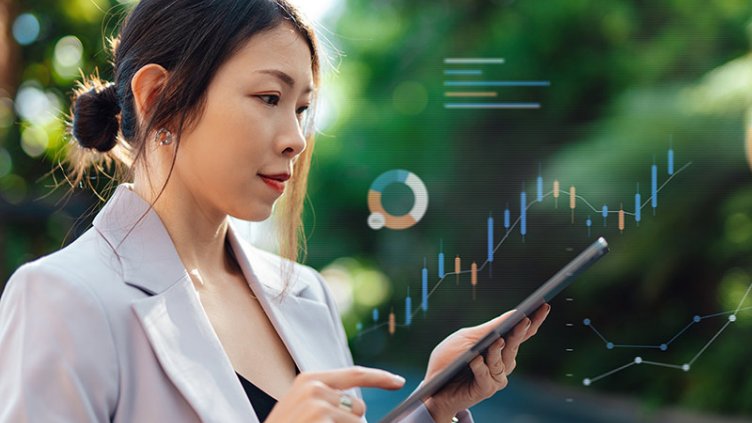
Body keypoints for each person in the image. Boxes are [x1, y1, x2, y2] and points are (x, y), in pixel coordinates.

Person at [0, 1, 550, 422]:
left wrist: (432, 407)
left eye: (303, 109)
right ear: (156, 97)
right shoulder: (62, 298)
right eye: (269, 98)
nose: (295, 139)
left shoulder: (305, 295)